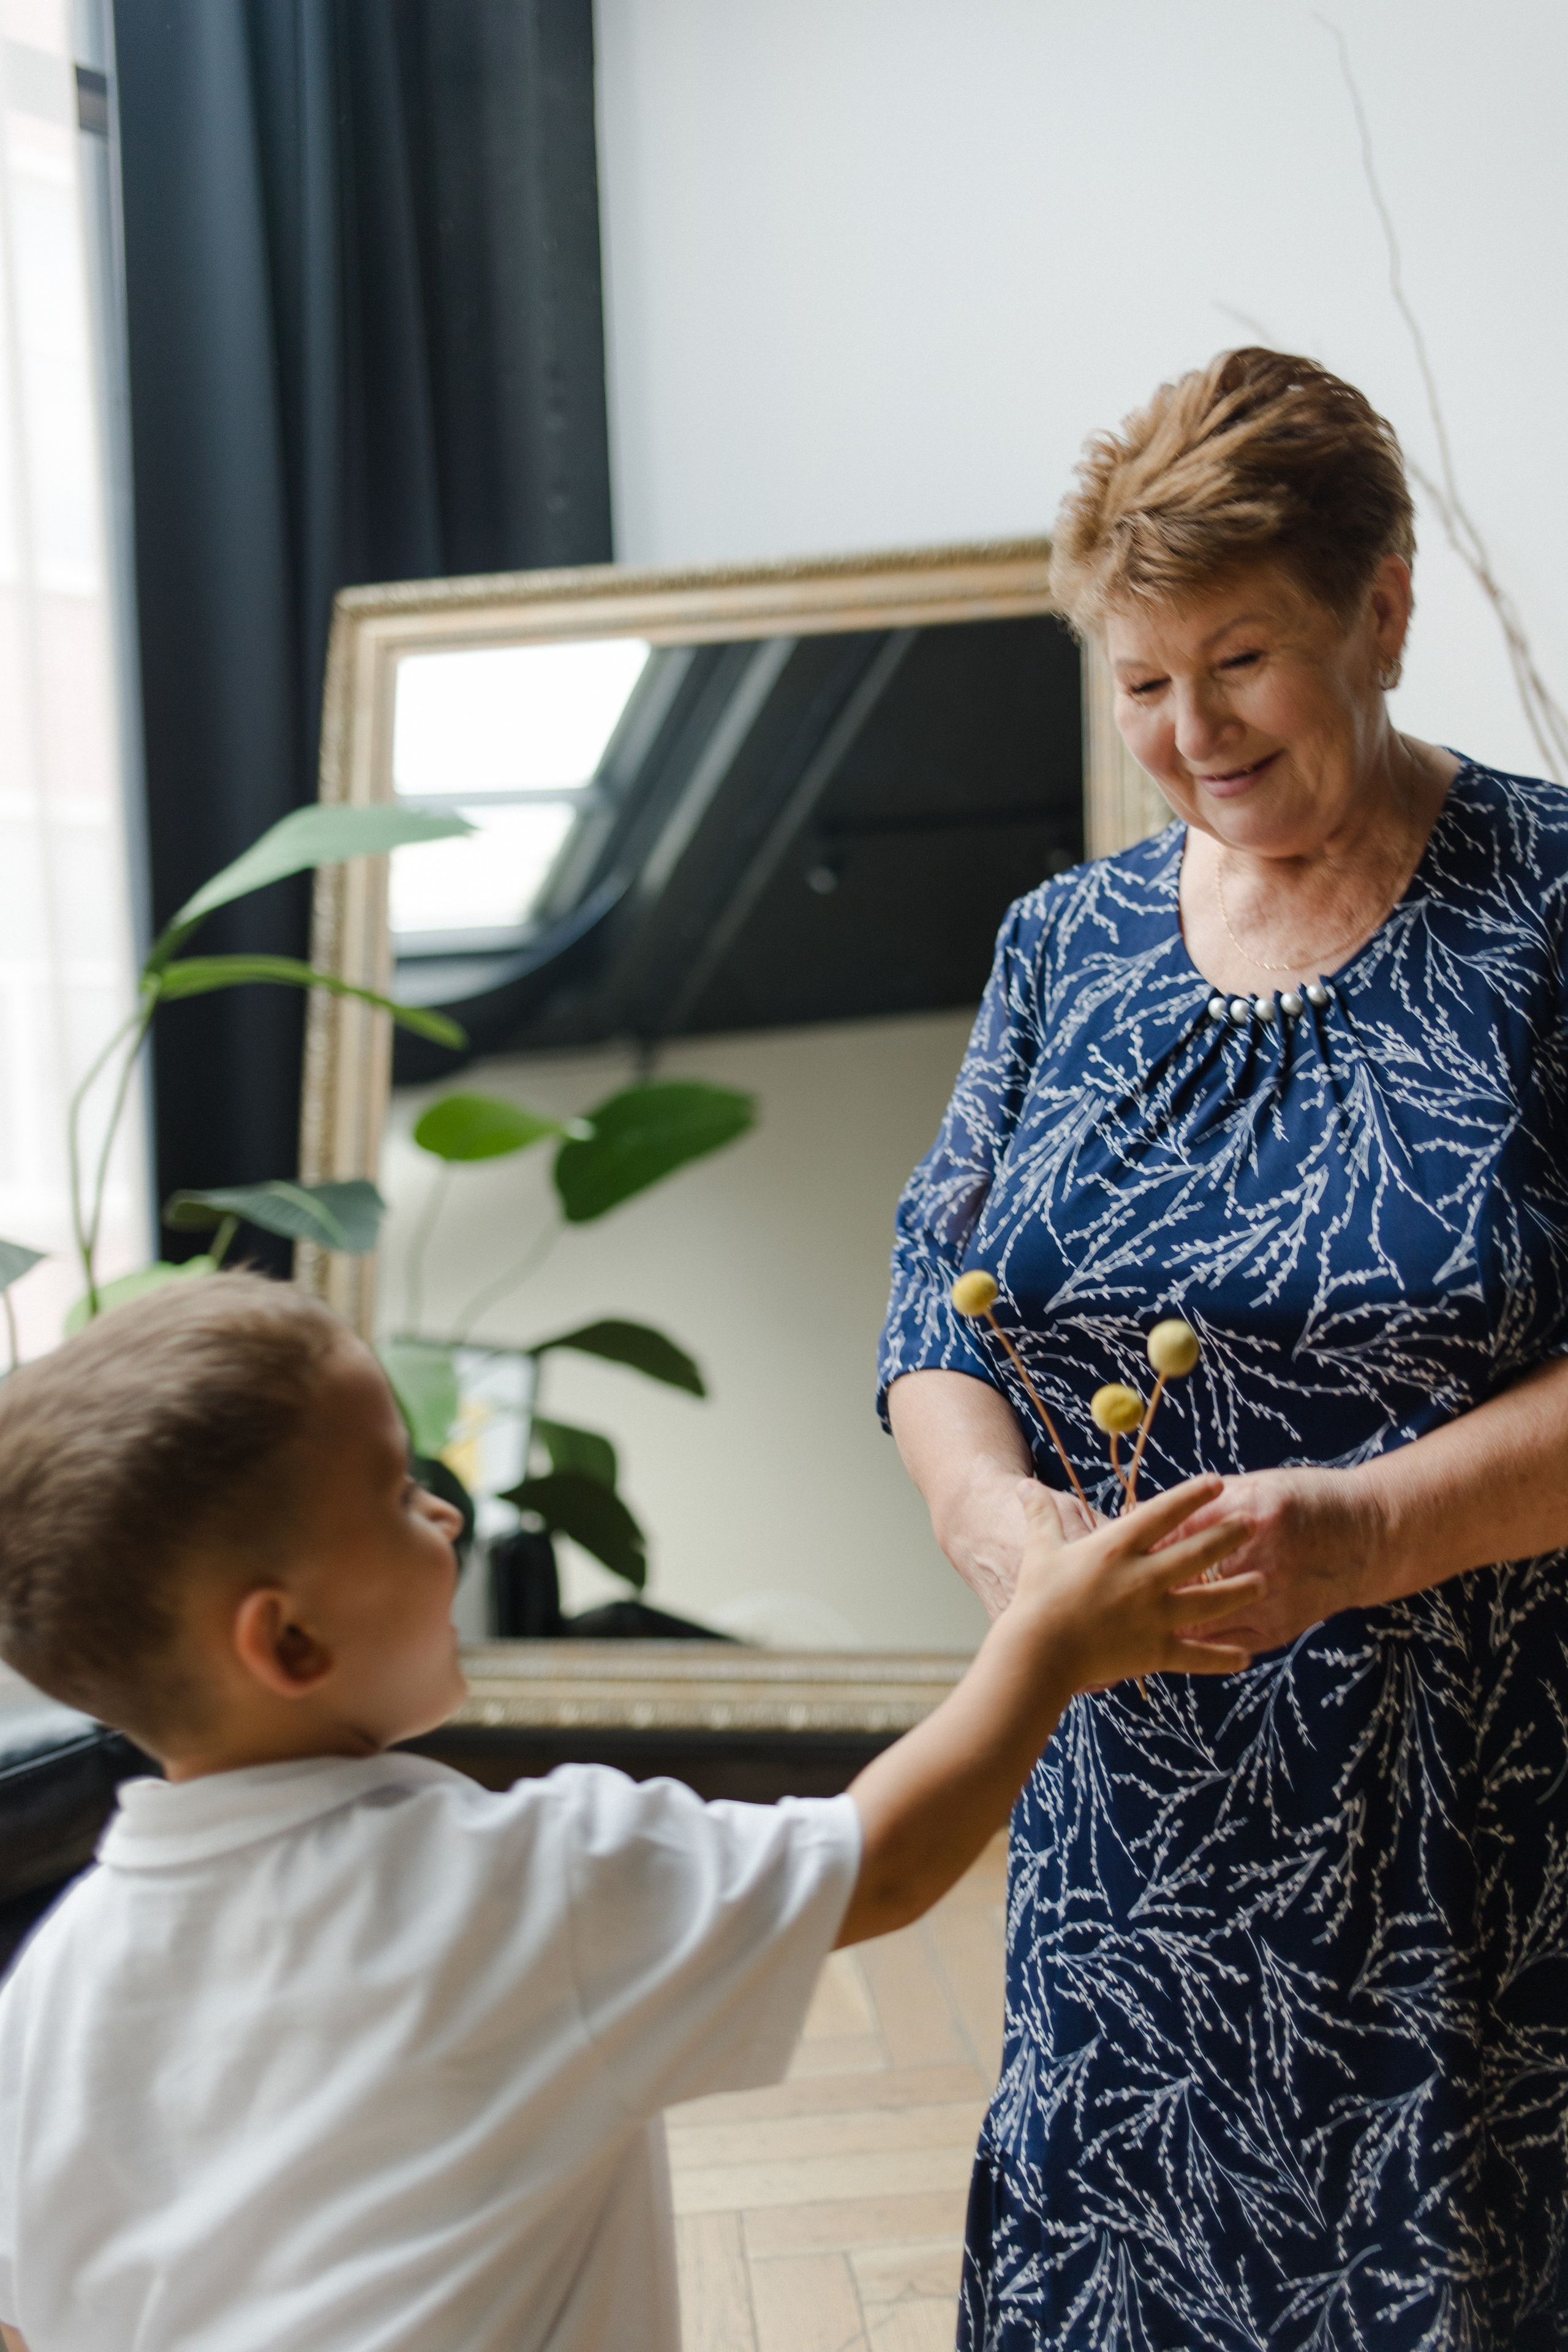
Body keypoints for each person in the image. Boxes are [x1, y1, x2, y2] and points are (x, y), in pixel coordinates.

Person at [880, 346, 1568, 2350]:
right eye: (1144, 678)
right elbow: (937, 1294)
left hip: (1478, 1847)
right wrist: (994, 1525)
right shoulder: (1062, 947)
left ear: (1385, 606)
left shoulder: (1550, 916)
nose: (1192, 732)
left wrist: (1356, 1538)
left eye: (1240, 661)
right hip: (1129, 1847)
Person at [0, 1273, 1254, 2352]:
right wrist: (1047, 1645)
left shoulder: (50, 1980)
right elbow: (876, 1865)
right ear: (287, 1638)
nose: (445, 1512)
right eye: (394, 1494)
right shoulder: (521, 1881)